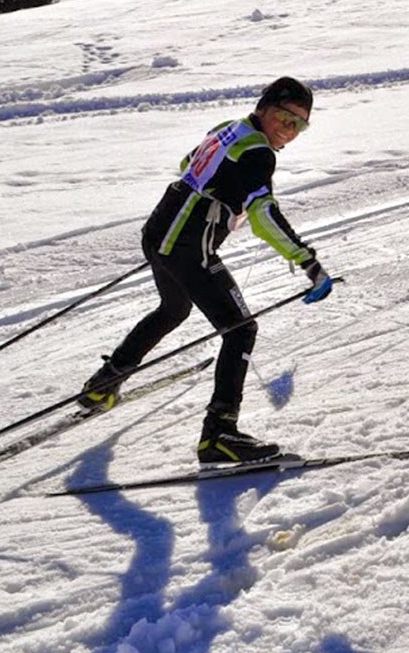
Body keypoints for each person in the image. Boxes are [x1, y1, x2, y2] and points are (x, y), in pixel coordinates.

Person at [78, 76, 334, 463]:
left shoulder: (230, 130)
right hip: (185, 246)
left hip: (159, 231)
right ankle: (219, 435)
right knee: (241, 329)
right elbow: (264, 216)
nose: (289, 129)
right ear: (264, 108)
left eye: (300, 124)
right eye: (285, 116)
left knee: (174, 309)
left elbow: (188, 162)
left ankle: (104, 383)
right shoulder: (259, 153)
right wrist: (308, 262)